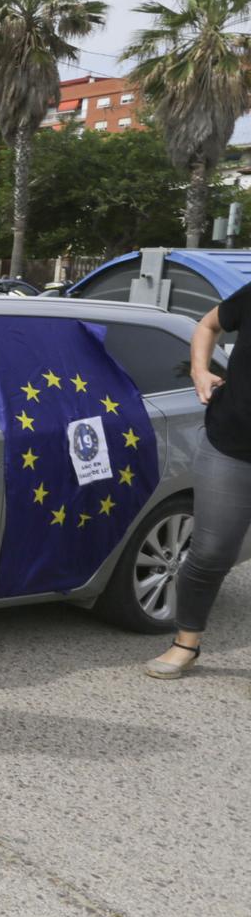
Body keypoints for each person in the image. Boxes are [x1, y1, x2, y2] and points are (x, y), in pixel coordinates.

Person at [144, 287, 250, 678]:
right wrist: (199, 370)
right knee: (210, 553)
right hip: (232, 445)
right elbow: (207, 325)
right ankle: (186, 643)